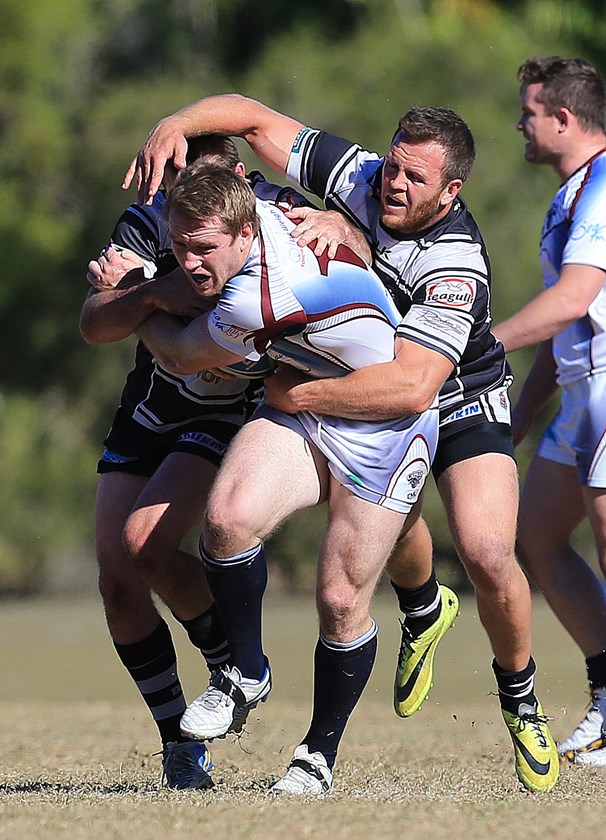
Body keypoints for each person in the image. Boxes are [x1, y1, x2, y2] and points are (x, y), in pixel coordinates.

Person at [121, 94, 559, 793]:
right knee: (272, 524)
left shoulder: (454, 263)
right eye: (393, 167)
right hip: (351, 380)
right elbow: (250, 118)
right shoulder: (361, 175)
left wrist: (297, 395)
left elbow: (412, 388)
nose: (394, 183)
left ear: (451, 192)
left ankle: (521, 697)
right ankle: (417, 608)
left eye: (416, 180)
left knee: (485, 549)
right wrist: (173, 125)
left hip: (449, 392)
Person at [91, 160, 439, 796]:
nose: (190, 262)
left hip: (382, 420)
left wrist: (139, 290)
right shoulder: (272, 220)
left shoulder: (257, 295)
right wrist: (150, 287)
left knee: (339, 598)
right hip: (302, 400)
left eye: (204, 249)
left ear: (245, 235)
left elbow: (181, 352)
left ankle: (317, 753)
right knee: (227, 522)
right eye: (179, 245)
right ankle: (244, 672)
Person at [81, 135, 316, 789]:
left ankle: (236, 665)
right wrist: (150, 294)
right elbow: (95, 323)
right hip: (149, 410)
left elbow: (194, 350)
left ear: (241, 178)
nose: (189, 202)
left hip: (225, 411)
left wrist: (140, 299)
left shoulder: (276, 226)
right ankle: (181, 743)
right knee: (116, 578)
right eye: (180, 181)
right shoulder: (154, 217)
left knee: (146, 544)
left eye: (206, 179)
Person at [492, 56, 606, 767]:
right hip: (578, 392)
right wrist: (521, 412)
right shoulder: (568, 196)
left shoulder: (603, 186)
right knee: (534, 533)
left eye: (529, 113)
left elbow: (570, 301)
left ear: (564, 119)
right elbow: (563, 329)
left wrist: (475, 345)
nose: (520, 124)